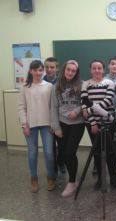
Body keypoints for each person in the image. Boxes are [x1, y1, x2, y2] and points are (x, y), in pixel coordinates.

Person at [81, 59, 116, 190]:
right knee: (97, 152)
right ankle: (100, 179)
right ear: (90, 70)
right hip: (92, 124)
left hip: (108, 122)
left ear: (103, 70)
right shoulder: (85, 84)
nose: (97, 70)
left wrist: (89, 110)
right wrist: (92, 123)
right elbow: (84, 102)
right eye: (94, 68)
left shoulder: (109, 83)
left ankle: (113, 178)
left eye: (99, 68)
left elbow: (108, 101)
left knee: (111, 151)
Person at [18, 60, 55, 193]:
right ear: (30, 71)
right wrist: (24, 125)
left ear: (43, 71)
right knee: (32, 153)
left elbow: (52, 107)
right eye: (35, 70)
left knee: (49, 153)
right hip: (30, 125)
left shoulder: (49, 86)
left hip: (47, 125)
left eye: (40, 70)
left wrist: (53, 124)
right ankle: (34, 179)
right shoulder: (24, 87)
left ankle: (51, 177)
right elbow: (21, 107)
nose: (38, 73)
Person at [51, 60, 85, 197]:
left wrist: (77, 111)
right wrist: (56, 127)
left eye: (73, 71)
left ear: (76, 73)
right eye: (68, 70)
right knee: (64, 154)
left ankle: (72, 183)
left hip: (77, 124)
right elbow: (53, 107)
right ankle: (72, 180)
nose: (70, 72)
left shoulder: (82, 85)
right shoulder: (56, 86)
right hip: (61, 124)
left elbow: (86, 103)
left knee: (70, 152)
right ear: (64, 70)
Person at [43, 57, 66, 179]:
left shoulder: (62, 83)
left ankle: (61, 163)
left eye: (52, 67)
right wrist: (49, 123)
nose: (49, 69)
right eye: (46, 67)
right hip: (47, 122)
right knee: (50, 150)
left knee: (62, 147)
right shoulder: (41, 83)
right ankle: (53, 170)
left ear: (57, 69)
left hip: (61, 121)